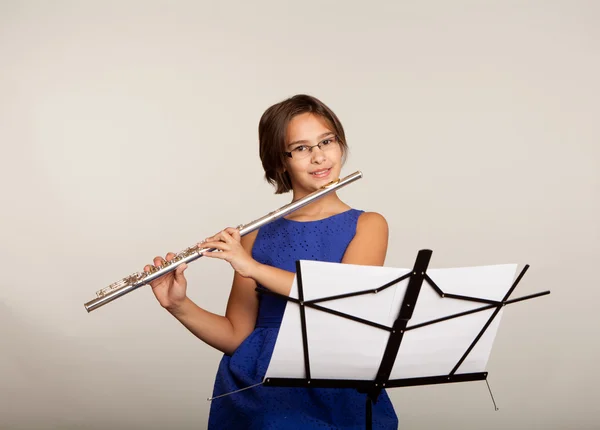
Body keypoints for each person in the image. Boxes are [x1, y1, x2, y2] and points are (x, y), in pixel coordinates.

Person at [144, 94, 399, 429]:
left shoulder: (368, 224)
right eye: (302, 148)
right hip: (260, 384)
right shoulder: (252, 237)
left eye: (327, 141)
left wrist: (253, 268)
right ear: (280, 162)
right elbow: (237, 335)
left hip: (334, 381)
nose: (319, 156)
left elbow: (340, 298)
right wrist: (178, 305)